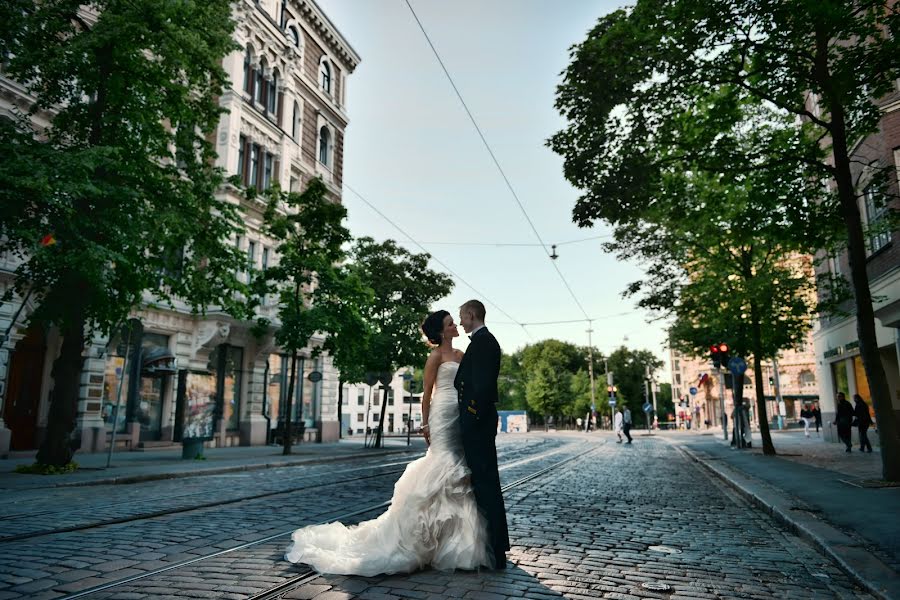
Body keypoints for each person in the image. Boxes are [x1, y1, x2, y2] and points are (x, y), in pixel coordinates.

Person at [284, 310, 492, 575]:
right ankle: (431, 540)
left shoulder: (462, 355)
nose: (455, 326)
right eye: (451, 324)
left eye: (454, 322)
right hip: (441, 415)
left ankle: (454, 540)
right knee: (443, 463)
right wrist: (426, 423)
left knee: (458, 467)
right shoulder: (435, 357)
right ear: (441, 332)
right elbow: (426, 395)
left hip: (459, 414)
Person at [454, 299, 510, 570]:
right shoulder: (480, 341)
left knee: (486, 484)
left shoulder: (485, 341)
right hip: (475, 422)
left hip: (478, 422)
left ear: (472, 314)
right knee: (483, 483)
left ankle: (497, 549)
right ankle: (491, 546)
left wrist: (472, 417)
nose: (461, 321)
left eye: (462, 316)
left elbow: (483, 387)